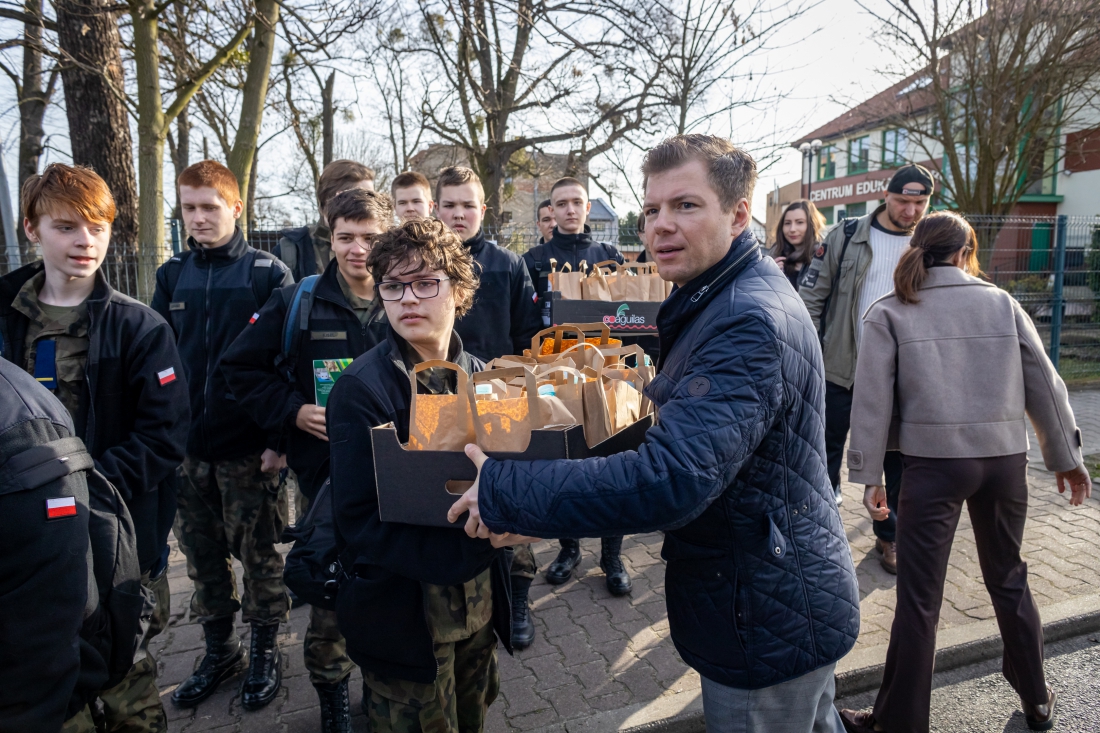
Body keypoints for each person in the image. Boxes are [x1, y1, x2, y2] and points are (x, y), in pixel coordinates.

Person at [450, 134, 860, 733]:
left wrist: (506, 491)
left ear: (738, 215)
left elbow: (670, 479)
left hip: (764, 607)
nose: (660, 225)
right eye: (651, 209)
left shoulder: (745, 319)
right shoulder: (719, 298)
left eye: (685, 205)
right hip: (775, 588)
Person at [838, 212, 1093, 733]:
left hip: (933, 467)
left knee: (920, 598)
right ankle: (1038, 700)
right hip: (1004, 462)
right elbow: (1045, 382)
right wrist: (1067, 459)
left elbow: (871, 401)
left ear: (918, 250)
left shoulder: (890, 310)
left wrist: (870, 476)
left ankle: (898, 723)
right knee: (1009, 577)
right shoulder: (1001, 302)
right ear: (964, 252)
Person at [0, 163, 189, 733]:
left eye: (98, 227)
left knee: (127, 680)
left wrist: (86, 493)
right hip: (24, 545)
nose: (85, 241)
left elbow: (163, 438)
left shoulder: (140, 328)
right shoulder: (5, 316)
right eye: (66, 227)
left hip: (115, 537)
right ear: (31, 228)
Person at [328, 217, 512, 733]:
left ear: (459, 290)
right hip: (406, 618)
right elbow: (359, 520)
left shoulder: (484, 377)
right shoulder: (362, 390)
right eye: (393, 285)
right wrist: (477, 546)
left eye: (425, 282)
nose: (408, 298)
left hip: (477, 612)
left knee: (473, 717)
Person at [221, 188, 394, 730]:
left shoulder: (406, 295)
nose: (358, 249)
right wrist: (293, 411)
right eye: (346, 237)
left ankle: (385, 693)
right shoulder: (298, 300)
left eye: (370, 237)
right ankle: (333, 697)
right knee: (331, 593)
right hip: (327, 480)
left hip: (400, 473)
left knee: (392, 589)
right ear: (330, 238)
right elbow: (241, 369)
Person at [151, 160, 294, 712]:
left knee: (260, 558)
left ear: (235, 207)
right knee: (203, 559)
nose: (199, 217)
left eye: (210, 206)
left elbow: (285, 364)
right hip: (188, 452)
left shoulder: (267, 275)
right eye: (189, 207)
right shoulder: (171, 275)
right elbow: (157, 361)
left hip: (249, 451)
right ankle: (220, 650)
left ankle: (264, 652)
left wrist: (278, 441)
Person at [799, 163, 934, 572]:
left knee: (897, 459)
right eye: (902, 201)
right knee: (824, 452)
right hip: (840, 367)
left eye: (920, 204)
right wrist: (809, 356)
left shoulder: (928, 242)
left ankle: (889, 537)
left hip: (901, 373)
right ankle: (821, 535)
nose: (910, 211)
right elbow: (810, 299)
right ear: (885, 195)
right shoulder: (846, 235)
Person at [434, 165, 542, 648]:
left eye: (468, 205)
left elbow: (527, 339)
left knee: (510, 498)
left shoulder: (508, 265)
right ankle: (465, 603)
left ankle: (518, 598)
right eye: (450, 205)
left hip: (500, 400)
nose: (459, 214)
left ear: (483, 209)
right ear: (436, 208)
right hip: (438, 400)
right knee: (453, 496)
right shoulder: (422, 264)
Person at [519, 176, 632, 597]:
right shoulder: (534, 260)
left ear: (587, 208)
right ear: (550, 210)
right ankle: (569, 550)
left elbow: (628, 315)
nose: (569, 209)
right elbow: (525, 323)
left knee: (613, 464)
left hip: (606, 377)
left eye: (576, 202)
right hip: (555, 378)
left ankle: (612, 555)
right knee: (563, 464)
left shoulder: (609, 256)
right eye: (561, 203)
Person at [278, 159, 376, 281]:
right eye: (363, 199)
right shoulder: (291, 249)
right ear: (333, 199)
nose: (371, 205)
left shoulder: (383, 244)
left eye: (372, 197)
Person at [770, 199, 826, 290]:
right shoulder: (773, 258)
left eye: (800, 222)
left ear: (812, 224)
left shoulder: (824, 257)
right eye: (787, 223)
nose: (792, 229)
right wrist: (769, 276)